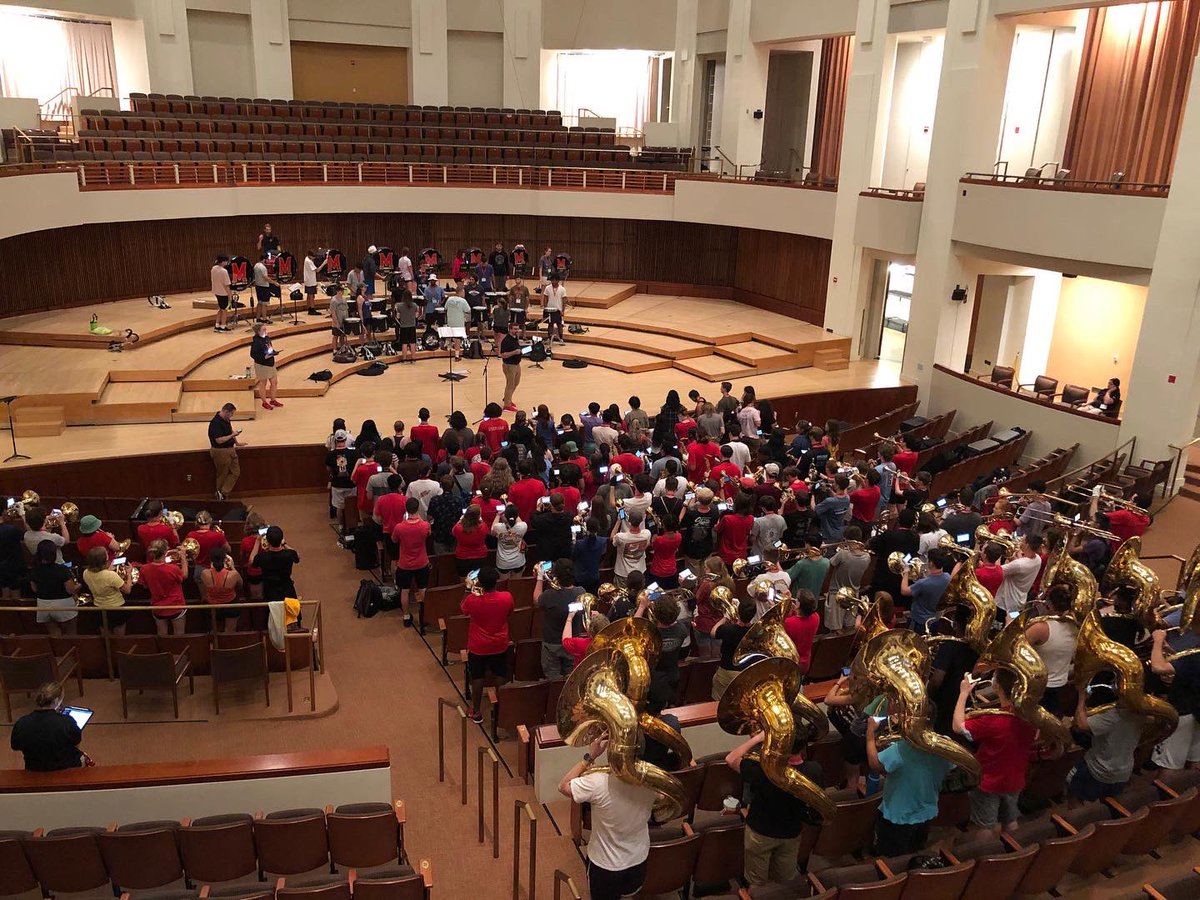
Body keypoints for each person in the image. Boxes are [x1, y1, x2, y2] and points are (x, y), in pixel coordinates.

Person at [560, 733, 657, 900]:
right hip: (638, 860)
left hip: (605, 867)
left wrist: (590, 756)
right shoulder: (653, 781)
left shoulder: (598, 783)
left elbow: (563, 786)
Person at [727, 730, 821, 889]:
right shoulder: (814, 770)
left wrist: (758, 739)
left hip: (760, 832)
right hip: (791, 832)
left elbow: (731, 759)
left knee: (756, 880)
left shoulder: (764, 770)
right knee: (786, 879)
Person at [953, 669, 1036, 834]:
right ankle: (1012, 851)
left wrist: (963, 693)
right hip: (1016, 779)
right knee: (1011, 821)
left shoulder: (993, 721)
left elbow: (957, 726)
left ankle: (988, 857)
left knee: (985, 827)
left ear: (997, 686)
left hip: (988, 782)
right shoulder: (1032, 716)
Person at [867, 707, 953, 855]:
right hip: (926, 810)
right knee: (914, 850)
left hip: (898, 815)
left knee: (892, 858)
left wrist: (870, 734)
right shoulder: (946, 744)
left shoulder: (902, 749)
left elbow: (875, 764)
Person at [1068, 674, 1144, 803]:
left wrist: (1082, 697)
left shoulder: (1112, 715)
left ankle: (1073, 822)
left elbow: (1080, 724)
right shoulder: (1143, 712)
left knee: (1073, 795)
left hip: (1097, 770)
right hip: (1123, 772)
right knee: (1108, 804)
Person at [461, 566, 514, 723]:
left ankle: (476, 711)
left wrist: (468, 589)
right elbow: (509, 612)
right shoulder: (506, 597)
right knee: (500, 675)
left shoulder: (472, 599)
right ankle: (501, 708)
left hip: (478, 647)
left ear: (480, 582)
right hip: (500, 644)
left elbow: (463, 609)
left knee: (477, 677)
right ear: (496, 581)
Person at [1150, 625, 1200, 769]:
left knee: (1169, 763)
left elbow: (1158, 667)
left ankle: (1164, 790)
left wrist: (1158, 641)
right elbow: (1188, 666)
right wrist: (1169, 651)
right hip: (1197, 710)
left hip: (1184, 711)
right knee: (1195, 759)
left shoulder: (1196, 655)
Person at [1025, 584, 1078, 715]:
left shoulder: (1040, 628)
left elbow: (1015, 646)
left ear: (1048, 603)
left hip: (1038, 687)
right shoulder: (1075, 627)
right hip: (1060, 687)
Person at [10, 682, 84, 771]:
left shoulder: (21, 723)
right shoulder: (67, 721)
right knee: (83, 757)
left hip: (34, 769)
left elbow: (15, 746)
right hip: (64, 770)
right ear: (56, 701)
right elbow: (76, 744)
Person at [534, 558, 585, 677]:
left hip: (552, 643)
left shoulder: (549, 595)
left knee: (553, 677)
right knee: (570, 676)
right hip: (572, 642)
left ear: (557, 576)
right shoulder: (581, 592)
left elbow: (536, 600)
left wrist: (540, 578)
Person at [392, 497, 431, 627]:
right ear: (417, 509)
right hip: (421, 562)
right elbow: (427, 535)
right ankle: (424, 614)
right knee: (423, 589)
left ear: (406, 509)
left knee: (405, 590)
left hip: (405, 564)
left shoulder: (400, 527)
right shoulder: (425, 525)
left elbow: (394, 540)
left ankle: (406, 615)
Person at [825, 527, 870, 630]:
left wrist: (841, 550)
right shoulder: (867, 557)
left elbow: (830, 564)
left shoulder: (842, 554)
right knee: (849, 627)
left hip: (837, 595)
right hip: (854, 596)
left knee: (835, 629)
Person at [710, 599, 756, 700]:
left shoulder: (728, 629)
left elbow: (713, 632)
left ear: (739, 611)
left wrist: (725, 618)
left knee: (718, 702)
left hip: (726, 672)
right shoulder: (756, 631)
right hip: (746, 673)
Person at [30, 540, 78, 636]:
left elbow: (34, 589)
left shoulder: (35, 570)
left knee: (53, 633)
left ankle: (58, 650)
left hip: (43, 605)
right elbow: (70, 590)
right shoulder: (62, 570)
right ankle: (72, 649)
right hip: (63, 605)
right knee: (70, 633)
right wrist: (79, 586)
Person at [141, 539, 187, 635]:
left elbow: (145, 586)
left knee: (162, 634)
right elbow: (184, 576)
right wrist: (183, 558)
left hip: (158, 607)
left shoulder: (144, 568)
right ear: (165, 552)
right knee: (179, 635)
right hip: (176, 606)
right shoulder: (173, 568)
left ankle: (163, 650)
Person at [82, 545, 132, 635]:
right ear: (104, 560)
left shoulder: (86, 573)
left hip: (99, 608)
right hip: (116, 609)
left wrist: (108, 570)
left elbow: (100, 578)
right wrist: (129, 574)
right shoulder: (110, 575)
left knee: (107, 639)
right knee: (119, 639)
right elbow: (127, 590)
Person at [901, 548, 952, 633]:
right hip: (937, 619)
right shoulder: (947, 577)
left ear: (931, 563)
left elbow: (904, 591)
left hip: (920, 621)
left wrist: (905, 571)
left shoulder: (923, 583)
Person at [994, 535, 1043, 617]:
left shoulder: (1019, 564)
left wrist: (998, 553)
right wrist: (1012, 557)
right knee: (1012, 625)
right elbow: (1019, 567)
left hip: (1004, 605)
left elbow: (996, 571)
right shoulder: (1038, 559)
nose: (1020, 542)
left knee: (1001, 627)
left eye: (1022, 541)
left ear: (1027, 545)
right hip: (1019, 603)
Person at [251, 526, 299, 603]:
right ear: (281, 539)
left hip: (270, 592)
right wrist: (284, 544)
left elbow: (251, 561)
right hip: (287, 590)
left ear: (267, 541)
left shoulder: (262, 557)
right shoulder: (289, 554)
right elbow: (297, 556)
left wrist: (257, 541)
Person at [201, 548, 243, 633]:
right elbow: (240, 585)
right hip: (230, 605)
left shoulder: (204, 573)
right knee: (230, 631)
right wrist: (233, 568)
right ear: (224, 559)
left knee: (214, 631)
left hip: (212, 606)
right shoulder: (233, 574)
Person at [208, 402, 243, 500]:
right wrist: (233, 435)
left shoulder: (226, 419)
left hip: (230, 450)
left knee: (236, 472)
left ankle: (223, 492)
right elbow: (219, 440)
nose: (232, 416)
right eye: (231, 413)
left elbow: (230, 430)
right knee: (222, 474)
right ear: (226, 411)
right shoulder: (215, 423)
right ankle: (220, 495)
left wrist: (237, 442)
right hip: (220, 451)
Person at [326, 429, 357, 535]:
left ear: (335, 440)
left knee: (339, 507)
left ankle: (341, 526)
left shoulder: (330, 454)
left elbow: (328, 469)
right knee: (351, 506)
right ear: (345, 439)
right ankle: (352, 526)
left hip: (337, 484)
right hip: (351, 484)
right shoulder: (353, 453)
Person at [783, 589, 821, 672]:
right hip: (805, 661)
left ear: (799, 604)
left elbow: (786, 625)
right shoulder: (816, 617)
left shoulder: (789, 622)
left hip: (791, 660)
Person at [611, 510, 651, 584]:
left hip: (623, 572)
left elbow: (611, 538)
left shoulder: (621, 537)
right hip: (639, 571)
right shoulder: (647, 534)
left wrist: (618, 521)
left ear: (629, 522)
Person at [452, 505, 490, 576]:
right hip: (480, 557)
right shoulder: (483, 526)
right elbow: (486, 532)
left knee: (464, 581)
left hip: (463, 558)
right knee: (478, 580)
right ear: (478, 517)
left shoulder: (459, 527)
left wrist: (461, 520)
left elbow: (453, 532)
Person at [812, 475, 851, 542]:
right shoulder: (847, 499)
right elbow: (838, 497)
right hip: (839, 532)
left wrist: (812, 494)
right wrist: (829, 490)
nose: (833, 484)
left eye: (834, 483)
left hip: (828, 533)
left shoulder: (829, 501)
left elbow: (815, 509)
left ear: (837, 486)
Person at [250, 323, 280, 411]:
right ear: (258, 332)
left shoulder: (267, 338)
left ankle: (273, 400)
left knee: (274, 382)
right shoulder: (256, 342)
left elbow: (270, 348)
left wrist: (274, 352)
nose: (265, 331)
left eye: (265, 329)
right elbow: (253, 355)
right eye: (263, 330)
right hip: (262, 365)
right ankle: (264, 402)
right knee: (263, 384)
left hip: (271, 363)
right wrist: (264, 357)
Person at [498, 328, 523, 413]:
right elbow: (502, 355)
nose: (517, 330)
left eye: (517, 329)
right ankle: (507, 405)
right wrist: (514, 352)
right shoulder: (506, 340)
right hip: (509, 365)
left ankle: (508, 398)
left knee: (516, 382)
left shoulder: (515, 338)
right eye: (515, 329)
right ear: (510, 329)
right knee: (510, 384)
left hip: (516, 364)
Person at [395, 282, 421, 363]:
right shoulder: (415, 305)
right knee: (413, 343)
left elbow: (398, 317)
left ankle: (404, 359)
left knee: (404, 343)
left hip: (403, 326)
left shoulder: (399, 305)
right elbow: (417, 316)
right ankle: (414, 359)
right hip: (412, 326)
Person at [252, 253, 278, 323]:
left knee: (259, 302)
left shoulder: (256, 265)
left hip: (258, 286)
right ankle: (264, 319)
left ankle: (258, 317)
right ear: (264, 259)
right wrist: (274, 282)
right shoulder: (263, 267)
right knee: (264, 304)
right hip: (264, 287)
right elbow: (265, 277)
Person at [211, 253, 232, 332]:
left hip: (216, 291)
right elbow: (227, 285)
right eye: (226, 261)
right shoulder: (224, 271)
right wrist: (230, 295)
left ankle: (217, 325)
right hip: (223, 293)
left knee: (220, 308)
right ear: (223, 262)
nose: (227, 263)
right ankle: (223, 326)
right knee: (224, 310)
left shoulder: (213, 268)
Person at [542, 274, 566, 344]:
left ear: (558, 281)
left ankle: (561, 338)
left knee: (559, 324)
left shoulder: (562, 289)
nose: (553, 281)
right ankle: (549, 338)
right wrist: (545, 307)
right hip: (549, 309)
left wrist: (563, 310)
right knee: (550, 324)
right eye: (552, 280)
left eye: (555, 280)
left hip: (558, 309)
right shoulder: (547, 288)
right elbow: (545, 298)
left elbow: (564, 300)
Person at [302, 249, 327, 315]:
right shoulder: (309, 262)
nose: (314, 258)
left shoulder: (306, 258)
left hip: (307, 280)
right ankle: (312, 310)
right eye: (313, 257)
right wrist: (324, 263)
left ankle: (309, 308)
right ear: (310, 256)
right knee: (311, 296)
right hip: (311, 281)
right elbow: (317, 270)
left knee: (309, 295)